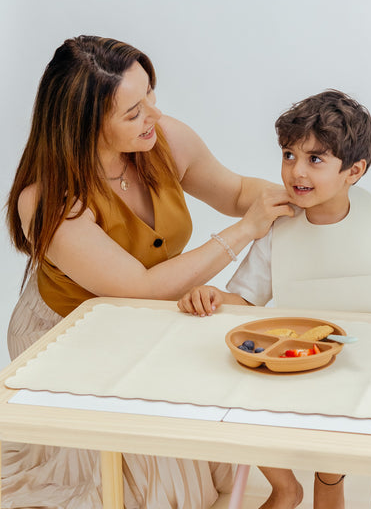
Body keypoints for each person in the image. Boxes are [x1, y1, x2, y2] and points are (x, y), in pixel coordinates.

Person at [3, 35, 294, 509]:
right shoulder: (49, 200)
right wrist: (245, 231)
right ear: (84, 125)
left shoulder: (161, 138)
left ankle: (282, 487)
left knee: (222, 399)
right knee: (156, 489)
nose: (154, 116)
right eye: (134, 111)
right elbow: (136, 290)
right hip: (72, 331)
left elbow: (237, 191)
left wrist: (300, 198)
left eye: (151, 96)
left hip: (150, 314)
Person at [178, 90, 371, 509]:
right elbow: (245, 302)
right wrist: (214, 296)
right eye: (289, 155)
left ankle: (329, 476)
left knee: (337, 437)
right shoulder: (278, 228)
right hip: (294, 362)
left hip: (355, 366)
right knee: (238, 390)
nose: (295, 171)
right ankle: (286, 486)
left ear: (354, 171)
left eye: (315, 159)